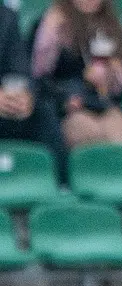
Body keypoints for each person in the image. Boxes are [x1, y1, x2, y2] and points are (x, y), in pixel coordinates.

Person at [31, 0, 122, 149]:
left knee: (116, 128)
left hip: (103, 104)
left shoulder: (109, 26)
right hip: (67, 108)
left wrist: (115, 73)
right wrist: (65, 99)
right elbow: (37, 77)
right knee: (85, 129)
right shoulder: (53, 25)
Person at [0, 2, 67, 179]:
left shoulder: (6, 17)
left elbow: (19, 69)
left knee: (43, 111)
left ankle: (59, 185)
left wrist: (25, 96)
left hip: (3, 104)